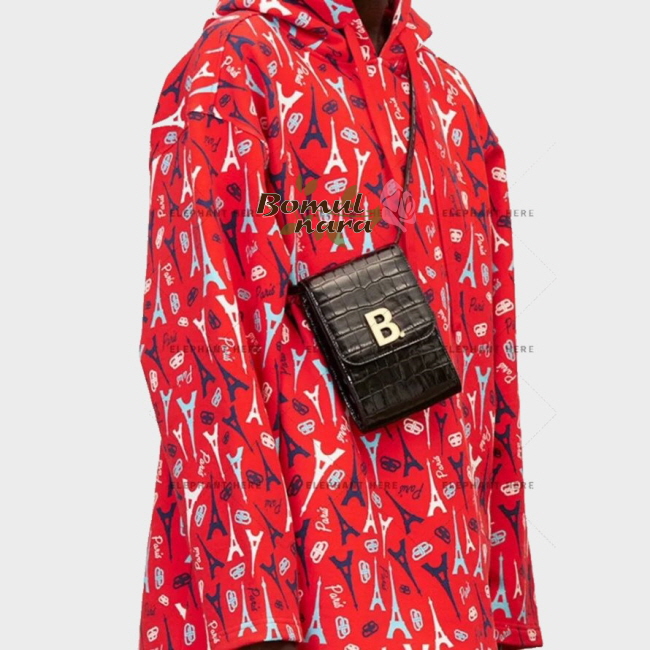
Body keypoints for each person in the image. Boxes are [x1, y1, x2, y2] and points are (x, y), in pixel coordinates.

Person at [136, 0, 544, 649]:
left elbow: (492, 370)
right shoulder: (238, 68)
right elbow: (195, 344)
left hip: (457, 606)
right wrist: (257, 617)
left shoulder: (452, 102)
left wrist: (508, 608)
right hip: (303, 606)